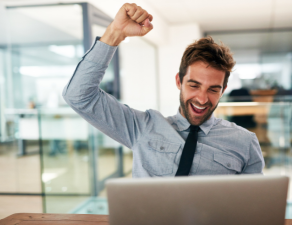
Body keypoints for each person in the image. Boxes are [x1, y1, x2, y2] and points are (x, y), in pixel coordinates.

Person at [63, 3, 264, 177]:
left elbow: (256, 206)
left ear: (223, 90)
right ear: (179, 81)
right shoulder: (141, 127)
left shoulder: (245, 142)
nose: (202, 99)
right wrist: (115, 32)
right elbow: (78, 96)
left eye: (213, 89)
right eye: (194, 85)